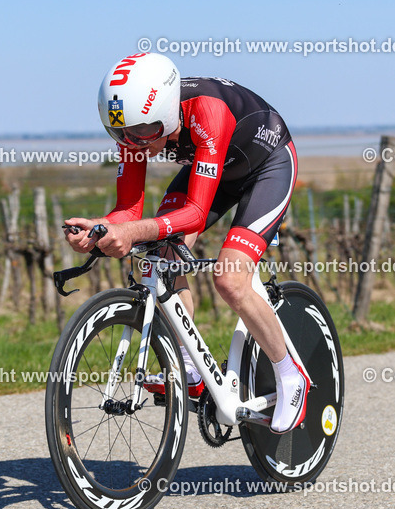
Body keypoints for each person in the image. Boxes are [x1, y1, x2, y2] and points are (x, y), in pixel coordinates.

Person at [64, 52, 308, 433]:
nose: (134, 145)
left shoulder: (206, 111)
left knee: (230, 278)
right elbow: (128, 210)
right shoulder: (137, 128)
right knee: (161, 254)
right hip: (212, 171)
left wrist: (131, 232)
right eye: (122, 136)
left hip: (267, 168)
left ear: (165, 113)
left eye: (143, 134)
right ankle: (190, 365)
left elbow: (194, 215)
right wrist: (100, 229)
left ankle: (291, 375)